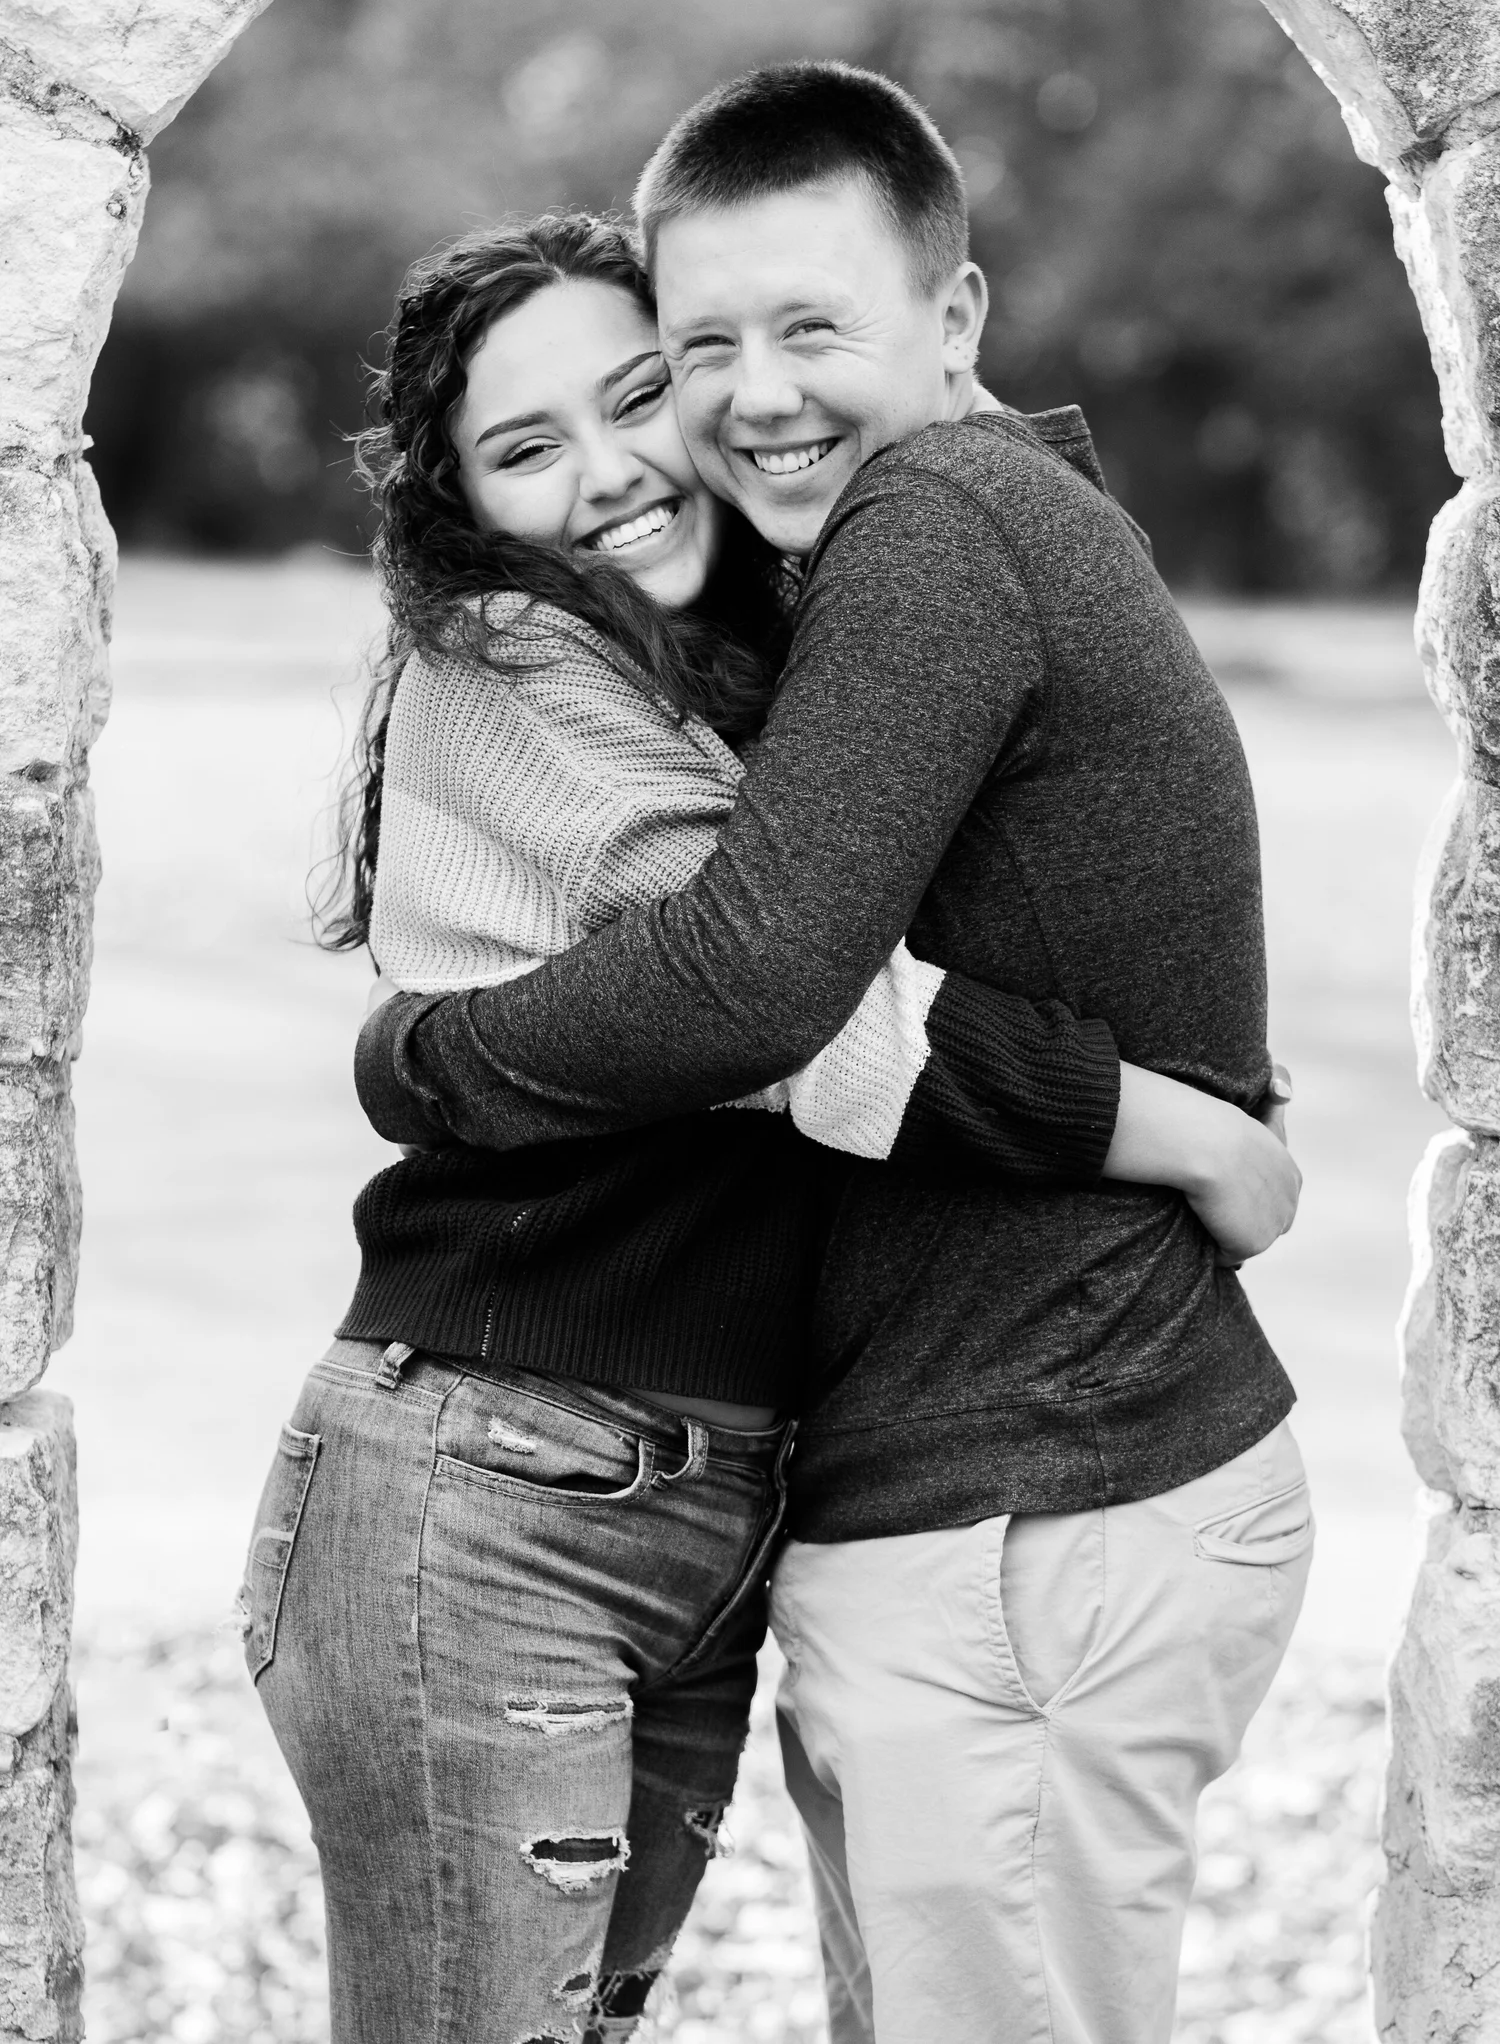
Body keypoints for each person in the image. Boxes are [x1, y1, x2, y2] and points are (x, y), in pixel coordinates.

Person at [241, 209, 1297, 2044]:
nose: (608, 472)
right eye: (525, 447)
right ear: (459, 507)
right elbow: (787, 1005)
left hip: (702, 1500)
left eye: (637, 393)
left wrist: (429, 1055)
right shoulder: (507, 659)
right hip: (488, 1488)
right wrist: (1190, 1133)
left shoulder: (764, 651)